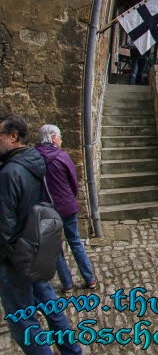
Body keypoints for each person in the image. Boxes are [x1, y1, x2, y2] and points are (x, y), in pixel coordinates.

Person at [0, 115, 83, 355]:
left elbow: (4, 225)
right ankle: (71, 350)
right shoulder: (37, 160)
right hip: (39, 243)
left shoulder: (9, 173)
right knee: (50, 305)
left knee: (22, 319)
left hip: (16, 254)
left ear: (13, 136)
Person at [35, 125, 97, 293]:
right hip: (66, 206)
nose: (61, 140)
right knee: (75, 241)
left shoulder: (33, 158)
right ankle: (89, 278)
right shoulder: (62, 156)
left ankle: (67, 283)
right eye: (60, 137)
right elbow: (73, 182)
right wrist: (70, 197)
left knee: (55, 247)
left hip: (46, 209)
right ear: (53, 137)